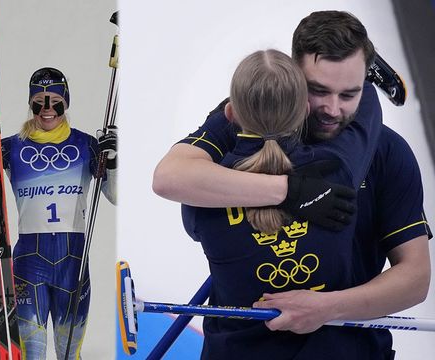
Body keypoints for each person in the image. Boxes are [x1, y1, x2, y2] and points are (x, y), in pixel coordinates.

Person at [153, 11, 430, 359]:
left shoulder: (388, 153)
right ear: (294, 77)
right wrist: (292, 192)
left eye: (350, 94)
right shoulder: (244, 114)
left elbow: (415, 277)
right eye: (318, 90)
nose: (332, 108)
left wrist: (328, 308)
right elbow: (168, 178)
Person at [0, 67, 117, 359]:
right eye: (39, 101)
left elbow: (115, 196)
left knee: (70, 352)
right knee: (32, 353)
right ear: (30, 103)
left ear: (66, 102)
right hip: (30, 262)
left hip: (74, 261)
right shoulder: (10, 147)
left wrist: (115, 161)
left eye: (55, 100)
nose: (47, 109)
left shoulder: (87, 145)